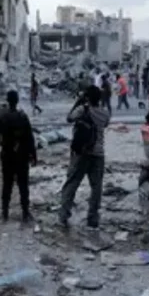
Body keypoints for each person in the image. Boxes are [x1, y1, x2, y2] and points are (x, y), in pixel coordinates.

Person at [58, 86, 111, 229]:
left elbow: (69, 118)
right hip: (98, 154)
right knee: (96, 187)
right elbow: (105, 125)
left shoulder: (83, 110)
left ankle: (64, 215)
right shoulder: (105, 113)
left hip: (81, 153)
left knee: (72, 183)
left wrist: (79, 102)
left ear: (87, 97)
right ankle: (93, 218)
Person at [0, 90, 37, 222]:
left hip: (7, 154)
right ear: (17, 100)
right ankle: (25, 212)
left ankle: (5, 213)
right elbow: (30, 138)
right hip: (21, 155)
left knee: (7, 185)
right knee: (23, 185)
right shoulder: (22, 116)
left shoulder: (2, 117)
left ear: (7, 100)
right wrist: (33, 155)